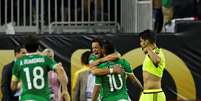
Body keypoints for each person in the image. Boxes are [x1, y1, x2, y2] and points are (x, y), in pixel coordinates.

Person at [10, 34, 70, 101]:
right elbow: (60, 69)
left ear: (25, 47)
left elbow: (13, 86)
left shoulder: (19, 62)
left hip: (26, 98)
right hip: (43, 98)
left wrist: (20, 82)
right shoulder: (45, 59)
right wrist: (65, 90)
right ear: (38, 46)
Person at [139, 30, 166, 101]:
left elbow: (157, 60)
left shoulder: (157, 51)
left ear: (147, 41)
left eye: (141, 41)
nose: (140, 44)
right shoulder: (149, 54)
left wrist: (148, 49)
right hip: (145, 94)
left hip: (154, 94)